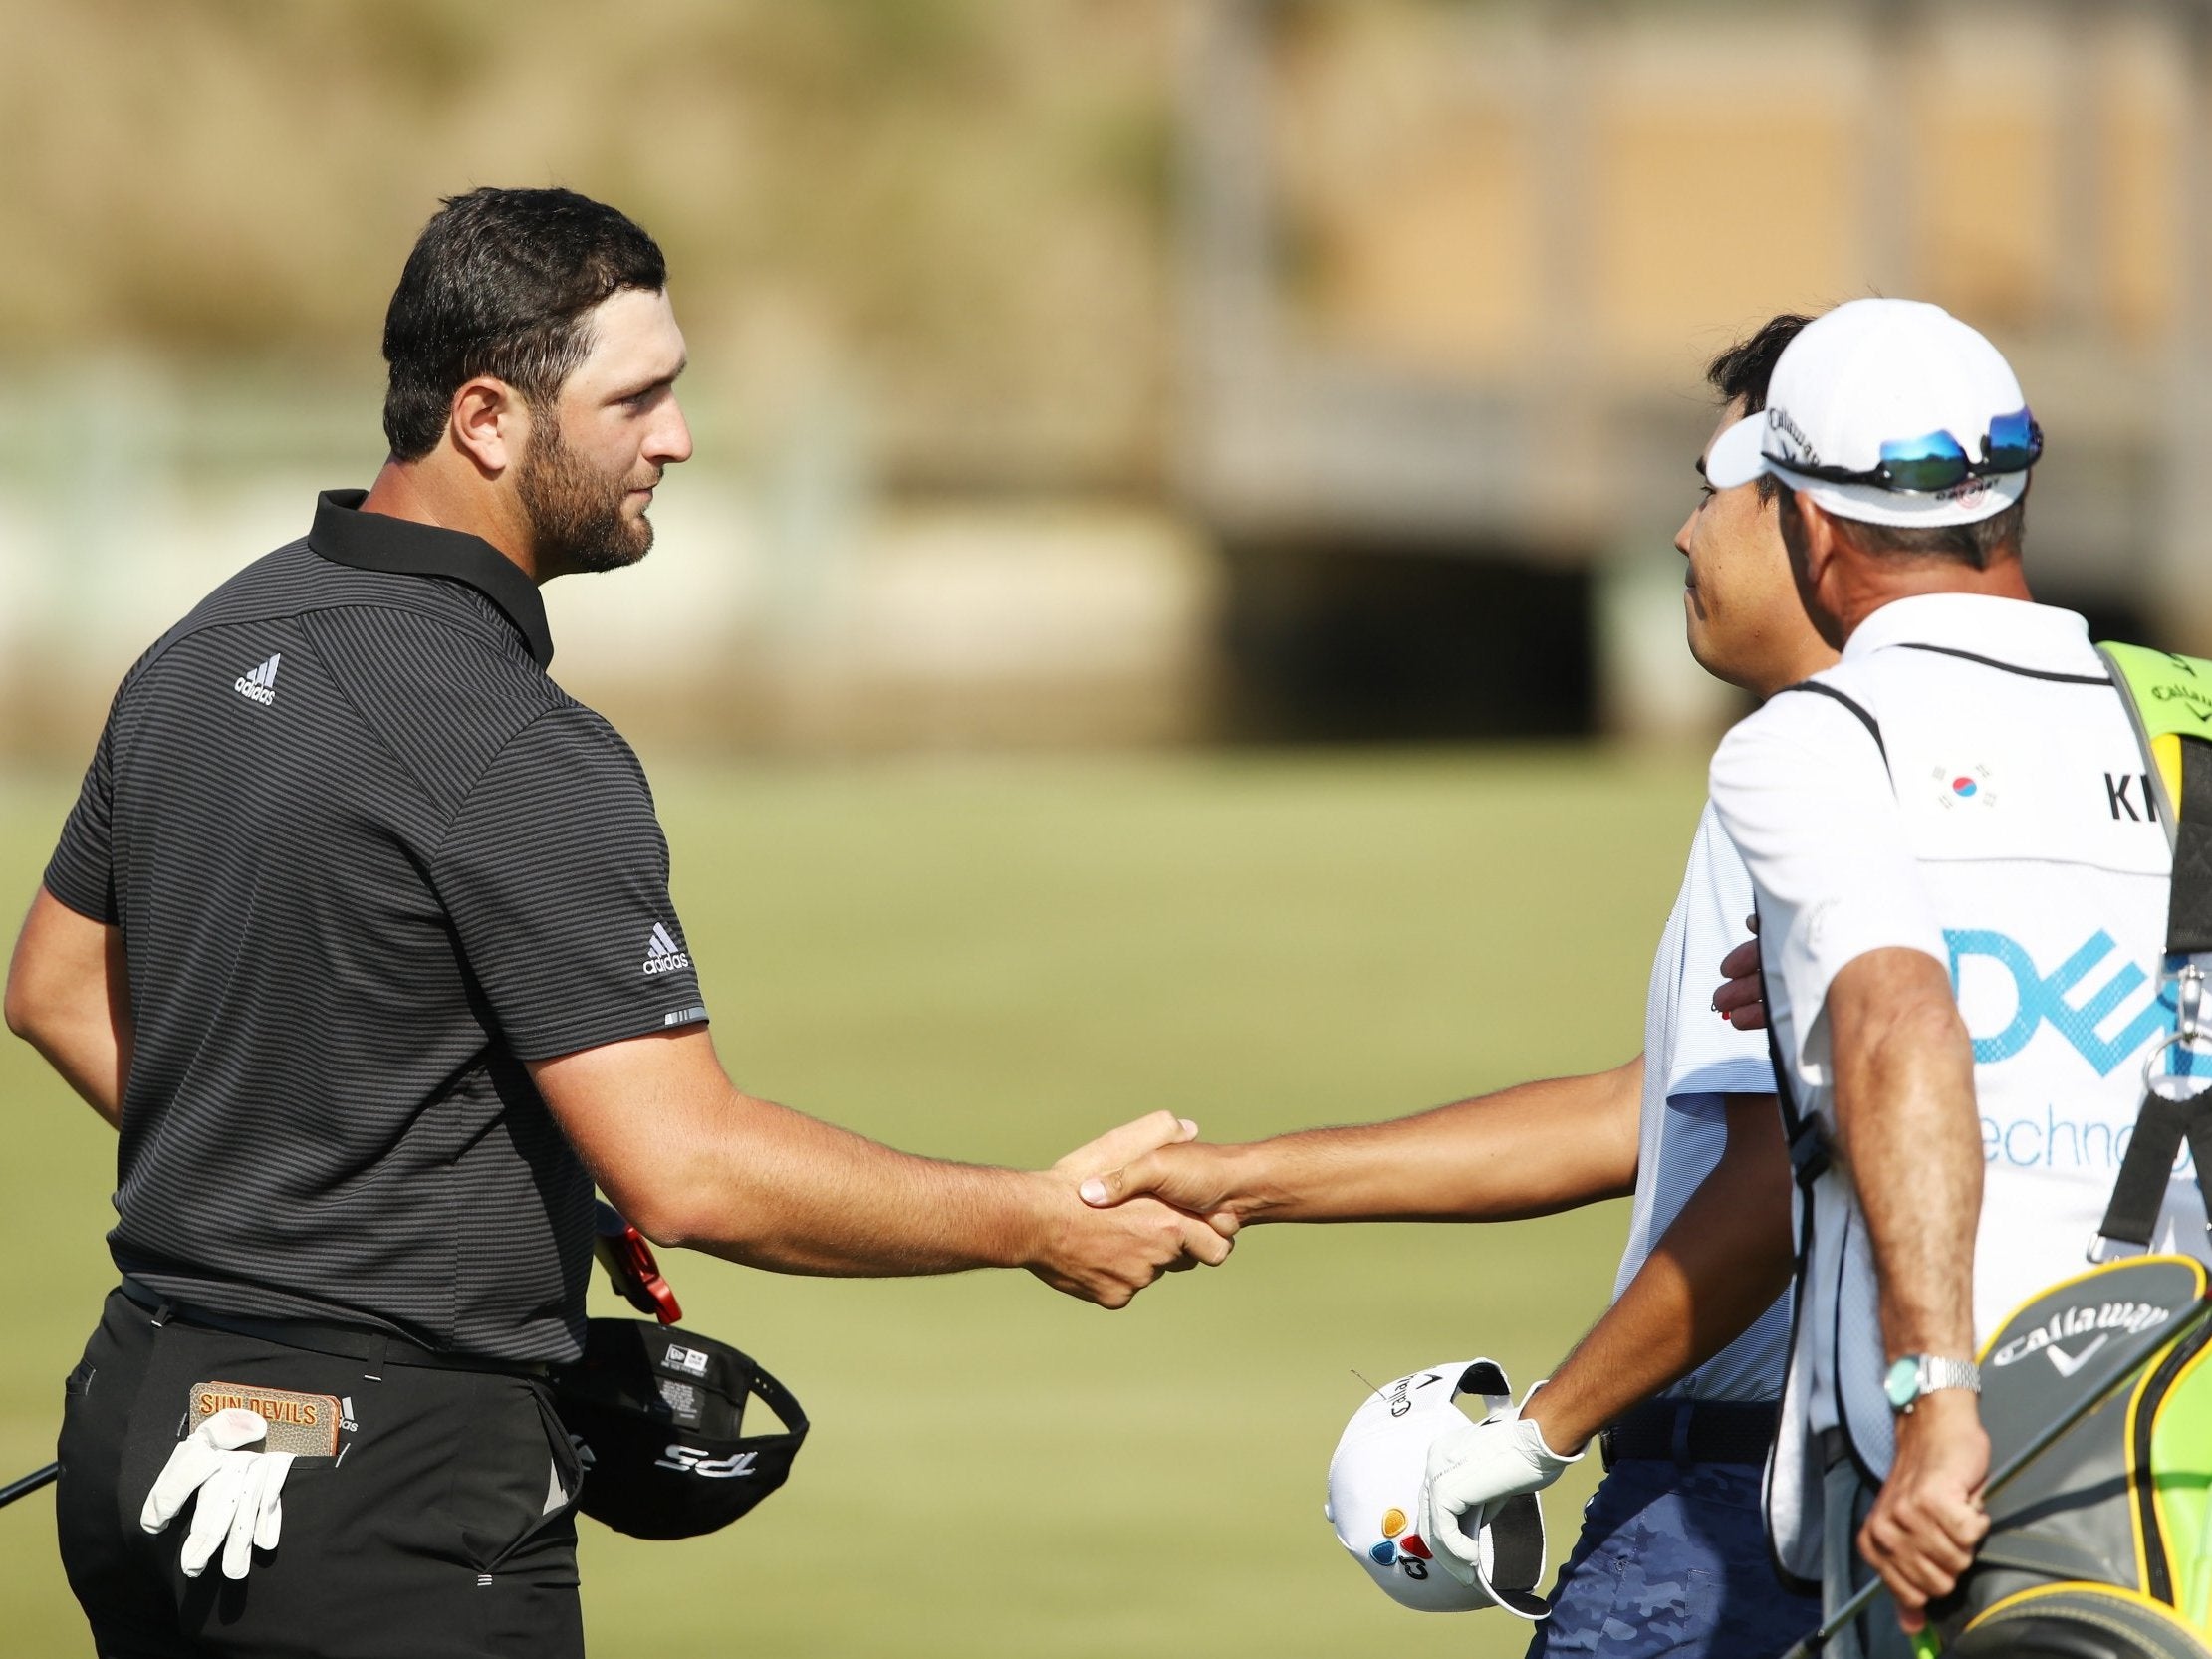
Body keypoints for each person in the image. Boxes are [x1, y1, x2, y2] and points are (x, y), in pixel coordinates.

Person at [1, 186, 1230, 1659]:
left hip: (142, 1423)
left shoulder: (202, 646)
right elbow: (692, 1168)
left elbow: (56, 985)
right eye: (636, 397)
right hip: (376, 1498)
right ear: (487, 420)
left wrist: (336, 1191)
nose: (679, 438)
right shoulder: (520, 748)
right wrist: (1030, 1218)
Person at [1082, 314, 1833, 1658]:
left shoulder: (1802, 773)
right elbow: (1667, 1111)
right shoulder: (2112, 732)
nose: (1678, 532)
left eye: (1711, 489)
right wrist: (1250, 1178)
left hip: (1752, 1502)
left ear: (1814, 514)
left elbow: (1769, 1177)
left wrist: (1541, 1430)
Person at [1699, 296, 2212, 1657]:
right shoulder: (2193, 716)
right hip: (2191, 1456)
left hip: (1960, 1485)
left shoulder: (1816, 739)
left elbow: (1901, 1015)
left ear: (1806, 526)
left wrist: (1936, 1395)